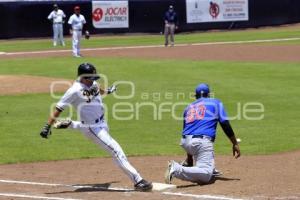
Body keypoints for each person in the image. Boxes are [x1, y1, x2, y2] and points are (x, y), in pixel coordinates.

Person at [39, 63, 153, 191]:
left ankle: (72, 124)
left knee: (95, 133)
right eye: (91, 78)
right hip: (93, 128)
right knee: (116, 151)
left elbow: (98, 88)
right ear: (83, 77)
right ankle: (138, 181)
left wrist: (108, 91)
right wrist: (47, 126)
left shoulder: (92, 83)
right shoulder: (74, 90)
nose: (93, 80)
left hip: (102, 122)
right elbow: (59, 107)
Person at [165, 83, 241, 184]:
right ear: (208, 95)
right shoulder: (215, 103)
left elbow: (187, 130)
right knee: (206, 175)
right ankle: (176, 169)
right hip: (200, 143)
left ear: (196, 96)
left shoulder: (188, 108)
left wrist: (189, 157)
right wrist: (234, 143)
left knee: (204, 148)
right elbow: (224, 123)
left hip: (185, 142)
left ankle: (206, 166)